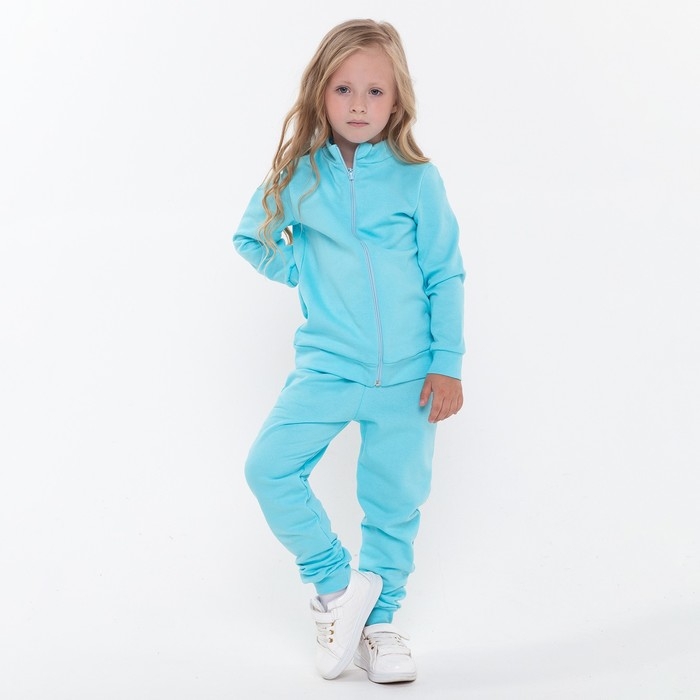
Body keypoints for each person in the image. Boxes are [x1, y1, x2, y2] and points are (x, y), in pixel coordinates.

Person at [233, 18, 465, 683]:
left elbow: (445, 273)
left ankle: (380, 626)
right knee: (269, 468)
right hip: (329, 367)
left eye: (374, 91)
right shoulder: (299, 176)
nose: (358, 105)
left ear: (397, 101)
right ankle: (339, 590)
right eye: (343, 89)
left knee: (395, 503)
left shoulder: (417, 179)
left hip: (410, 378)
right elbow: (252, 238)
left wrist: (447, 363)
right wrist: (304, 274)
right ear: (321, 93)